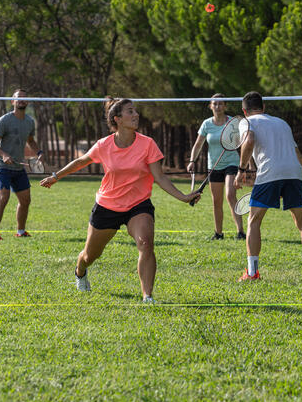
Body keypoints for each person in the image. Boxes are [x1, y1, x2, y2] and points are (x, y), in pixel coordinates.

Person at [40, 98, 201, 303]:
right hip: (107, 205)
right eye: (130, 112)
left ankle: (147, 297)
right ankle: (80, 271)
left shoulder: (147, 144)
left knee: (145, 243)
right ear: (117, 119)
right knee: (90, 255)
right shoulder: (104, 145)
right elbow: (81, 161)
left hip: (138, 204)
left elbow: (159, 177)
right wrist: (56, 177)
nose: (136, 115)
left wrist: (184, 197)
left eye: (135, 111)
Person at [234, 91, 302, 282]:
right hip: (293, 172)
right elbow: (300, 158)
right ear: (263, 107)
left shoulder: (246, 122)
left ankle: (252, 273)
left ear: (244, 110)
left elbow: (248, 141)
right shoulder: (282, 123)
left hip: (269, 172)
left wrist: (241, 169)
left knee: (253, 221)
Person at [187, 93, 246, 240]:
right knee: (216, 201)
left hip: (231, 163)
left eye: (221, 104)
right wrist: (192, 160)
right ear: (210, 106)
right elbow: (198, 144)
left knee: (230, 195)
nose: (218, 106)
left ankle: (241, 232)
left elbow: (244, 142)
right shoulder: (207, 124)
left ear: (225, 106)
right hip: (213, 166)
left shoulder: (233, 122)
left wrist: (247, 163)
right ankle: (218, 233)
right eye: (215, 104)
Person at [0, 89, 42, 240]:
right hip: (2, 166)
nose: (22, 100)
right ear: (12, 101)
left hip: (18, 167)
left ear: (28, 102)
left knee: (25, 200)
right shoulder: (4, 120)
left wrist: (39, 153)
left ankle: (21, 231)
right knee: (3, 198)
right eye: (18, 98)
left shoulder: (30, 122)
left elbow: (31, 141)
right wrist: (4, 154)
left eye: (25, 98)